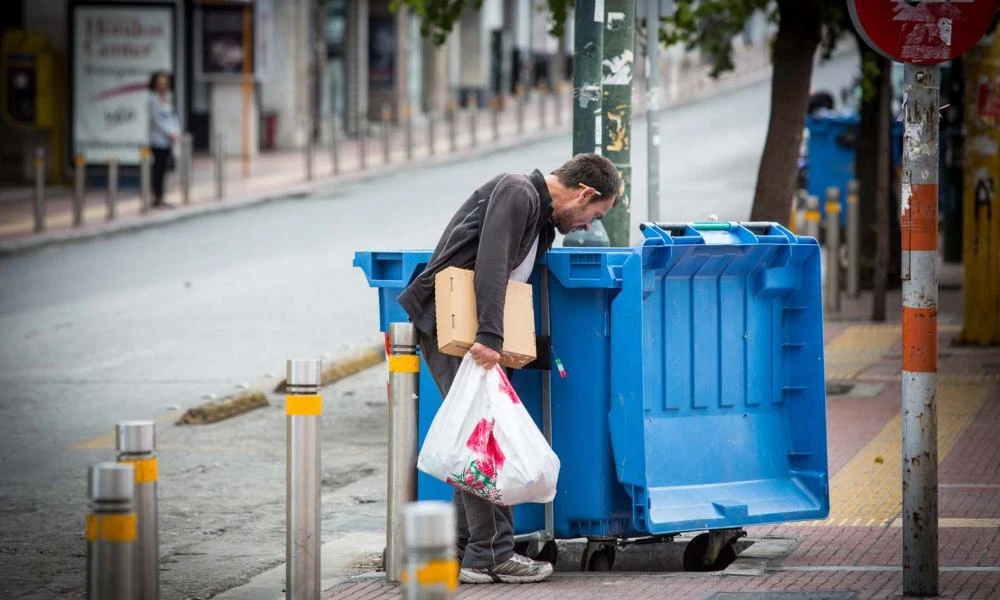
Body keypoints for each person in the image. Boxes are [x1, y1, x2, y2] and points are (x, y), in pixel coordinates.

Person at [397, 153, 620, 584]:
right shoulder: (519, 192)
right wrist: (490, 337)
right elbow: (492, 263)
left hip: (469, 330)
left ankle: (462, 549)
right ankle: (492, 554)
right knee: (485, 440)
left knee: (475, 435)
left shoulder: (539, 216)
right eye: (596, 213)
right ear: (584, 192)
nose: (590, 224)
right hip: (457, 328)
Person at [148, 71, 181, 209]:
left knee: (164, 170)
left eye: (165, 83)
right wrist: (169, 133)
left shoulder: (168, 98)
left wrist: (176, 131)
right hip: (158, 140)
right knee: (158, 169)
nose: (163, 85)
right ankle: (157, 197)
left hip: (168, 140)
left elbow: (172, 116)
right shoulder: (152, 100)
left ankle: (161, 196)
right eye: (160, 83)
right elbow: (157, 120)